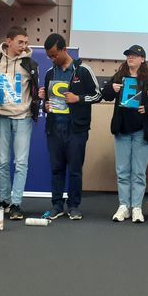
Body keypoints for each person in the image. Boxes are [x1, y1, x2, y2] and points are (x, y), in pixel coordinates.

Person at [102, 45, 148, 223]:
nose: (130, 58)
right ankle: (124, 206)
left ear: (142, 59)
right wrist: (112, 88)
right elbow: (105, 95)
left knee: (139, 171)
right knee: (122, 171)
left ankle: (137, 207)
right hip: (122, 130)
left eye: (134, 55)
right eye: (128, 55)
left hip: (142, 131)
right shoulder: (119, 77)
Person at [0, 26, 40, 220]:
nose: (24, 46)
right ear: (9, 41)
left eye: (26, 42)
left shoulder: (30, 63)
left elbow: (36, 88)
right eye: (20, 42)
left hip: (23, 117)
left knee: (21, 162)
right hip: (1, 117)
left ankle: (16, 203)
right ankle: (5, 200)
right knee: (2, 162)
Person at [40, 33, 101, 220]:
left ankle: (74, 206)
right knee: (56, 169)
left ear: (64, 50)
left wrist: (78, 99)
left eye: (54, 55)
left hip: (76, 129)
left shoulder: (83, 70)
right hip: (54, 128)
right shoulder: (50, 73)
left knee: (75, 170)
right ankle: (57, 205)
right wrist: (45, 105)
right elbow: (47, 101)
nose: (52, 59)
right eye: (49, 56)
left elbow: (98, 95)